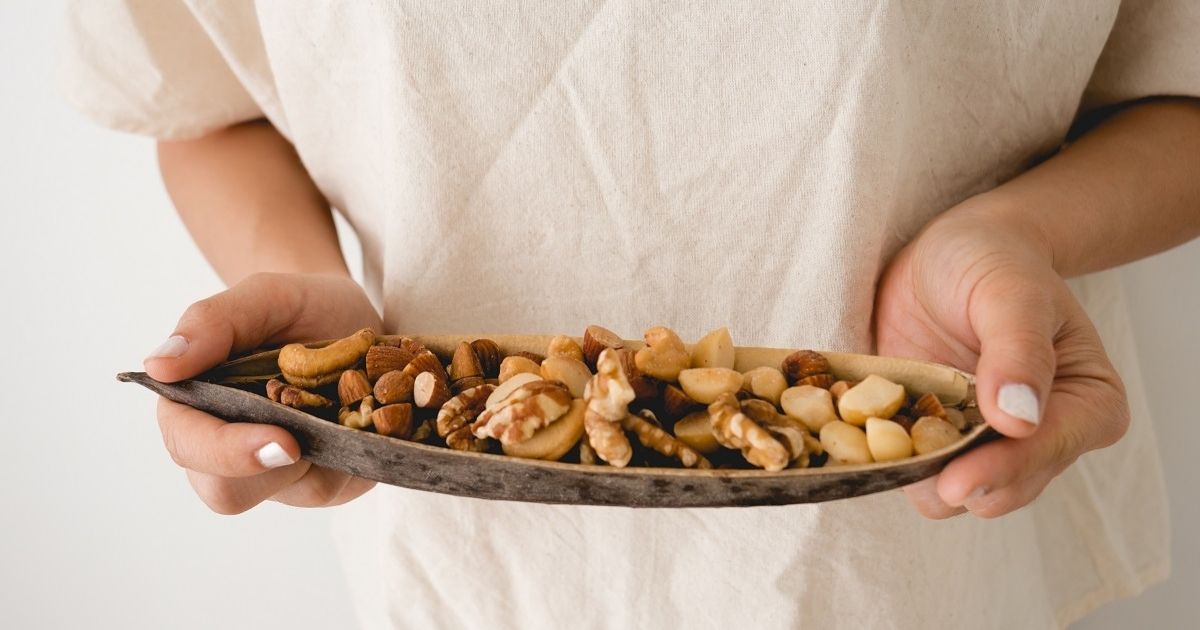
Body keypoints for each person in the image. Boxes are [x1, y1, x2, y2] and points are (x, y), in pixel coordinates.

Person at [64, 2, 1200, 628]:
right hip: (460, 537)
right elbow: (204, 100)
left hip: (916, 547)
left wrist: (1015, 238)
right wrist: (308, 311)